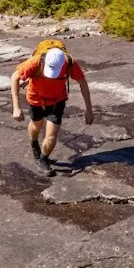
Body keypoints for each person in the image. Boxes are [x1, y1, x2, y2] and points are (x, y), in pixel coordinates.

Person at [10, 40, 94, 176]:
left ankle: (43, 159)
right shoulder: (35, 62)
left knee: (51, 135)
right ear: (44, 62)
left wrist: (89, 110)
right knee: (36, 125)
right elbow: (15, 77)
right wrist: (16, 107)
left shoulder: (70, 63)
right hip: (36, 99)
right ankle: (34, 144)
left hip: (57, 101)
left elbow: (83, 83)